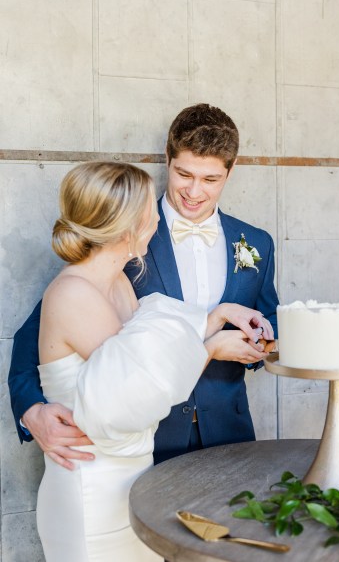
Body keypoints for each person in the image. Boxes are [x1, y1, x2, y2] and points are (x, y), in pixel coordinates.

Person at [9, 103, 278, 469]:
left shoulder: (257, 243)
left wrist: (262, 341)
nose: (194, 191)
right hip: (144, 439)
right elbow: (37, 334)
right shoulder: (124, 233)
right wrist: (31, 411)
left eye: (210, 179)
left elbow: (269, 315)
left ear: (230, 172)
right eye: (184, 174)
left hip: (229, 431)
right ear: (167, 158)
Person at [28, 161, 271, 561]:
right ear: (127, 227)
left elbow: (153, 346)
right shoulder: (73, 294)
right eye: (149, 210)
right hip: (91, 488)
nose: (158, 215)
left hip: (137, 483)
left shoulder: (119, 281)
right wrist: (209, 348)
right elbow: (136, 386)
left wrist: (221, 314)